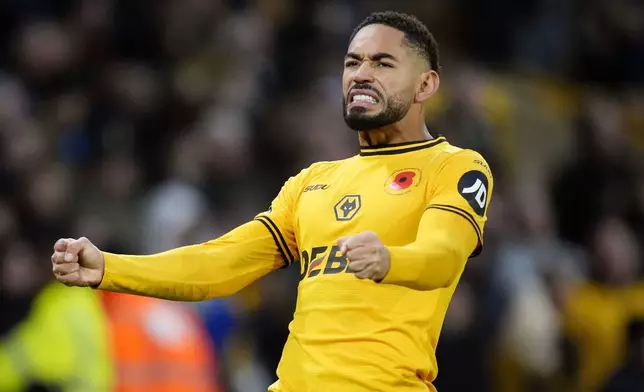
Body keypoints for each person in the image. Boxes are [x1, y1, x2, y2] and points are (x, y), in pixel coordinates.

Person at [51, 11, 494, 392]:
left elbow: (442, 256)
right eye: (352, 62)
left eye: (383, 63)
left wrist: (388, 260)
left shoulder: (453, 166)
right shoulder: (311, 183)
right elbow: (220, 265)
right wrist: (110, 267)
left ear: (425, 85)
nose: (361, 74)